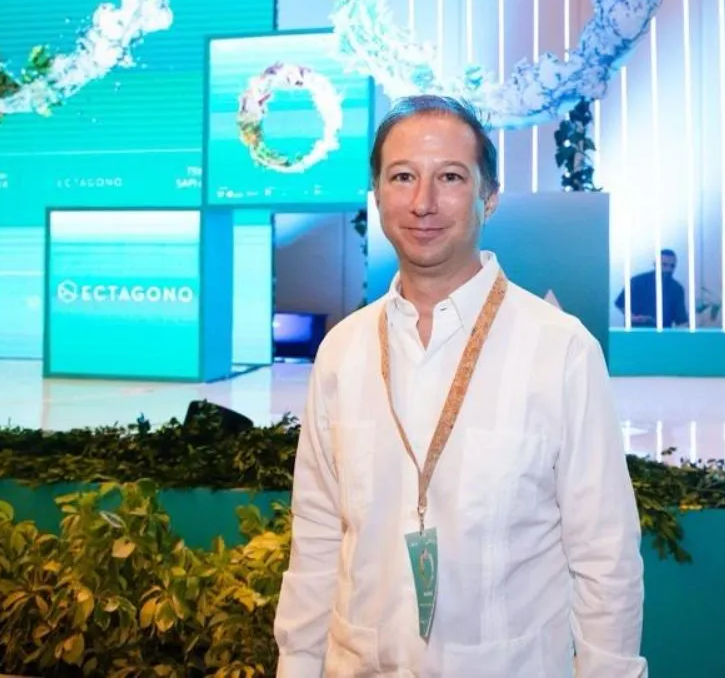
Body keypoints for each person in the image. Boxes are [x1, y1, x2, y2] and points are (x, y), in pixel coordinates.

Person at [274, 95, 647, 676]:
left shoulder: (560, 350)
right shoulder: (343, 352)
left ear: (488, 197)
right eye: (402, 177)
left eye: (450, 177)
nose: (423, 202)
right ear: (378, 195)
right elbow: (318, 535)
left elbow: (605, 554)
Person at [614, 250, 689, 327]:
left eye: (672, 266)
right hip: (636, 331)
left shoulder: (677, 289)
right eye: (664, 264)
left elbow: (681, 319)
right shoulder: (637, 281)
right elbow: (621, 303)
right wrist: (632, 317)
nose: (668, 269)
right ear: (655, 264)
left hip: (662, 333)